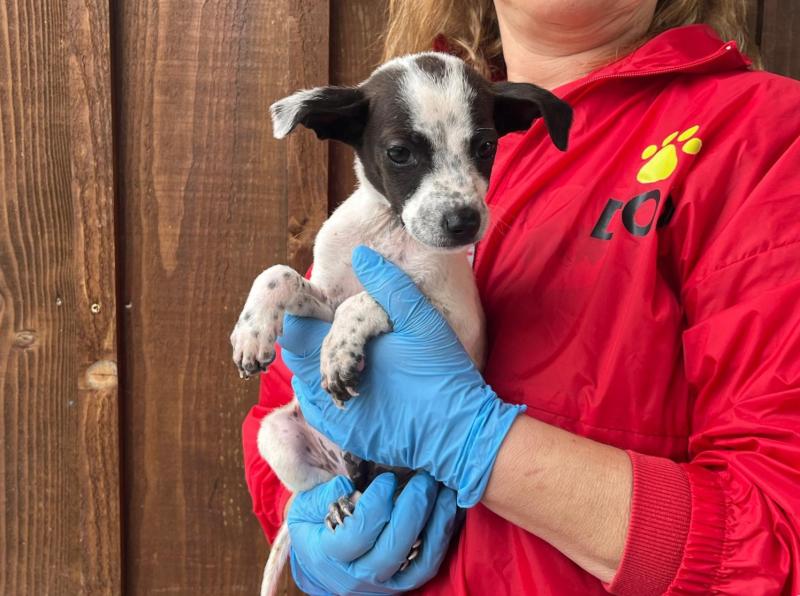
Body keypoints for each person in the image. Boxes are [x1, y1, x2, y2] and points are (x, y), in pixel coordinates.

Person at [242, 0, 800, 593]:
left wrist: (475, 441)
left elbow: (775, 545)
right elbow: (289, 397)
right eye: (404, 154)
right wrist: (311, 536)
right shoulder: (404, 122)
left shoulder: (763, 135)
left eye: (481, 149)